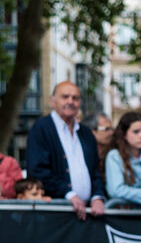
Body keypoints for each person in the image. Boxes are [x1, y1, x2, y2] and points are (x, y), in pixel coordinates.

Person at [26, 81, 106, 220]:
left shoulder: (86, 133)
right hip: (55, 215)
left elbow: (95, 172)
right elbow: (37, 170)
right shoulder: (41, 128)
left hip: (89, 214)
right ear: (52, 101)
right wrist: (68, 194)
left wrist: (97, 196)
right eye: (65, 97)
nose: (70, 101)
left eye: (75, 98)